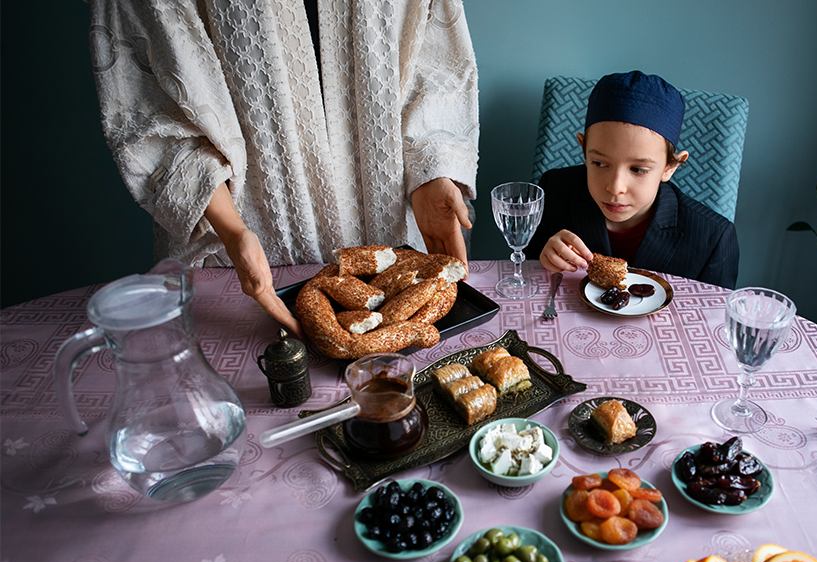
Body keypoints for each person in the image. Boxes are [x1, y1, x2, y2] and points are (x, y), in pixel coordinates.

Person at [89, 0, 480, 336]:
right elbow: (147, 98)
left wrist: (432, 171)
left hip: (392, 242)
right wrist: (232, 230)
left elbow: (436, 62)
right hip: (241, 249)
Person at [525, 71, 738, 289]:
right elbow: (521, 269)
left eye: (638, 169)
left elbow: (716, 318)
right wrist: (541, 260)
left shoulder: (713, 238)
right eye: (599, 163)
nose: (615, 187)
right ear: (584, 150)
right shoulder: (554, 190)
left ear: (669, 167)